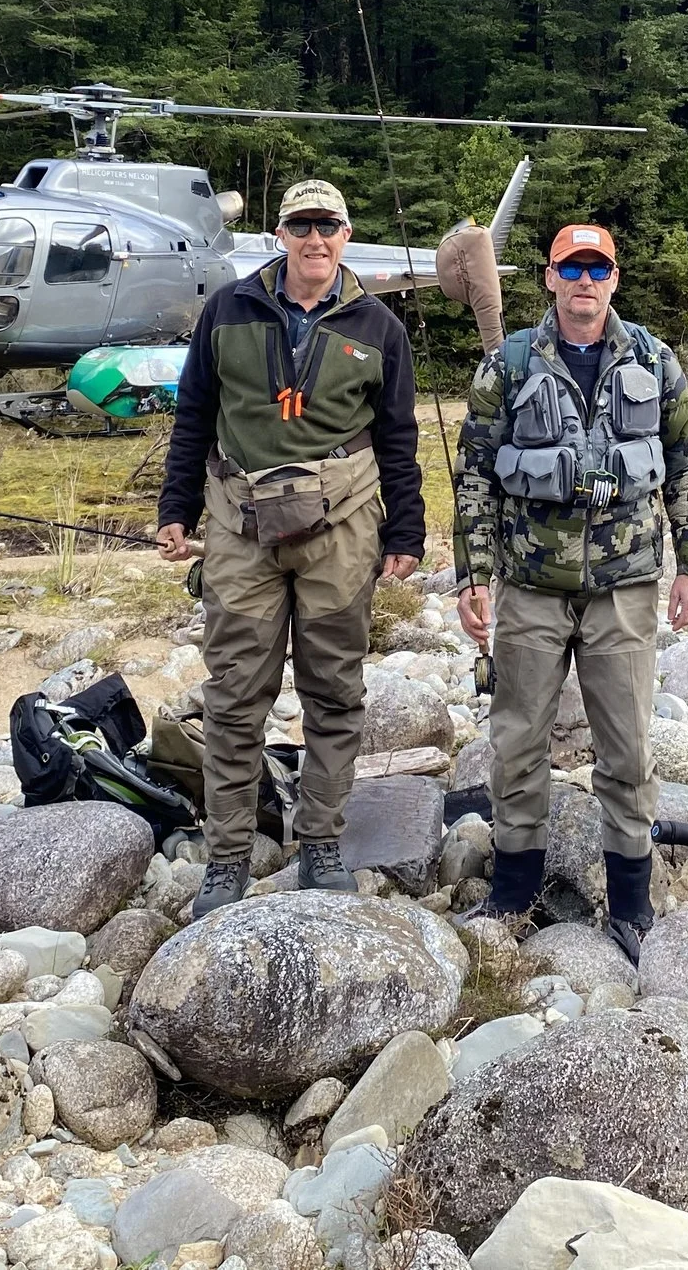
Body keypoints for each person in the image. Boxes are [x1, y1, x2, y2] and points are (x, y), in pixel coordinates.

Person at [155, 178, 427, 920]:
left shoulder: (379, 326)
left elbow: (397, 435)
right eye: (301, 225)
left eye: (327, 225)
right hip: (238, 523)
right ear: (279, 234)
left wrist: (406, 529)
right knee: (235, 694)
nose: (314, 238)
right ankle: (228, 856)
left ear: (346, 235)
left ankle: (322, 841)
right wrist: (176, 509)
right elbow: (193, 414)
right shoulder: (228, 309)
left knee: (334, 691)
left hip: (342, 529)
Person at [452, 223, 688, 957]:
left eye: (598, 269)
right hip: (530, 587)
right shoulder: (508, 365)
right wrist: (472, 575)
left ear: (614, 279)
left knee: (627, 750)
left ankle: (630, 905)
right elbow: (474, 474)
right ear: (550, 277)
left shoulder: (654, 360)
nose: (585, 282)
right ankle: (513, 894)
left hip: (625, 587)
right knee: (516, 744)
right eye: (572, 269)